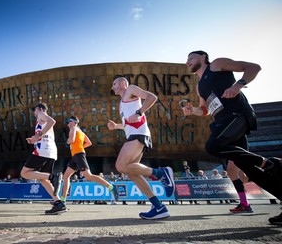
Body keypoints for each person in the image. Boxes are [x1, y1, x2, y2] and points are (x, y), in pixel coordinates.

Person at [183, 50, 282, 225]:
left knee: (213, 146)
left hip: (237, 115)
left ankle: (270, 163)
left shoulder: (216, 65)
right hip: (223, 121)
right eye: (186, 60)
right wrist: (193, 111)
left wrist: (238, 85)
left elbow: (254, 67)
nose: (187, 62)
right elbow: (204, 109)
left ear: (202, 57)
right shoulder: (199, 86)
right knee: (249, 169)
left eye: (190, 58)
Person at [108, 77, 175, 220]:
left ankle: (161, 173)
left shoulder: (130, 89)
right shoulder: (122, 104)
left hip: (139, 134)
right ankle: (159, 207)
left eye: (114, 84)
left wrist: (139, 112)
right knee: (131, 172)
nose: (112, 87)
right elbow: (128, 123)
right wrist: (116, 126)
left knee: (120, 166)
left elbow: (152, 97)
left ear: (122, 83)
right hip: (133, 134)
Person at [60, 116, 119, 205]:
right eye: (67, 122)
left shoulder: (73, 128)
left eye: (69, 121)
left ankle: (111, 187)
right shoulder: (81, 132)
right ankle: (62, 200)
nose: (68, 124)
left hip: (78, 155)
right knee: (66, 176)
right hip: (77, 155)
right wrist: (79, 147)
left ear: (74, 122)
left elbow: (71, 140)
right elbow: (89, 143)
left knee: (88, 176)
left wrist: (67, 142)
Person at [20, 102, 65, 215]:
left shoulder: (41, 113)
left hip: (42, 151)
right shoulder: (41, 120)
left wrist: (37, 136)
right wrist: (34, 139)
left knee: (24, 173)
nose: (34, 113)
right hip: (50, 151)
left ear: (40, 108)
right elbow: (45, 133)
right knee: (43, 179)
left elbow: (52, 121)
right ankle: (59, 203)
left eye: (34, 110)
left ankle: (53, 176)